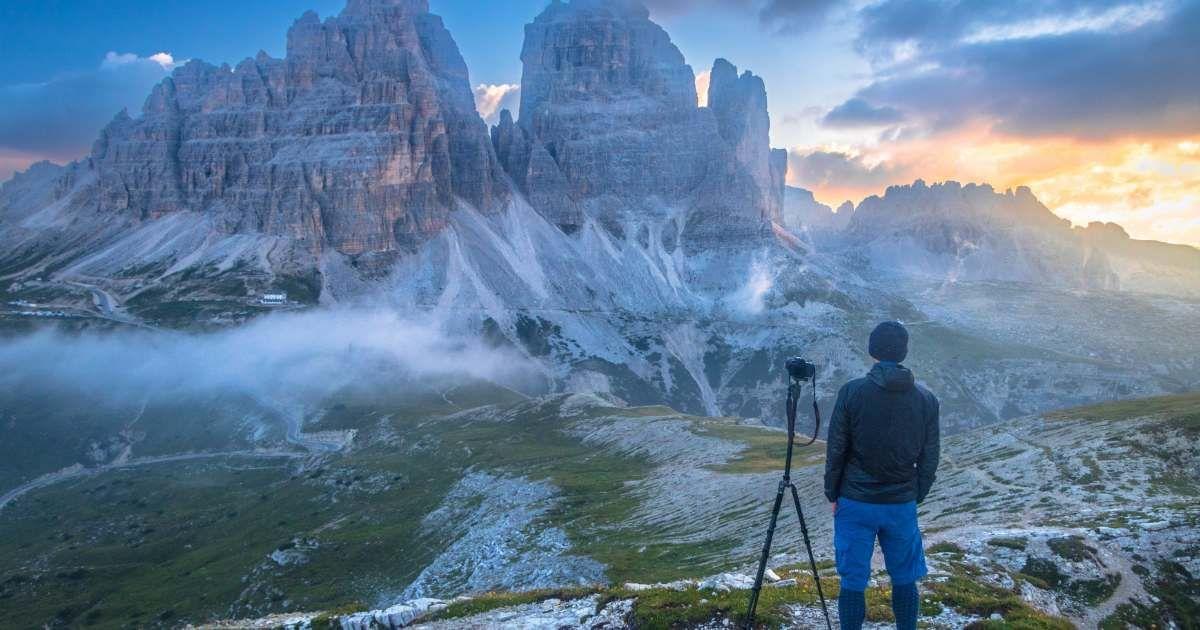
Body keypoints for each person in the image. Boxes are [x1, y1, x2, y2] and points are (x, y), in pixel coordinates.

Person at [824, 321, 940, 630]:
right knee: (904, 576)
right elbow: (930, 458)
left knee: (853, 579)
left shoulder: (851, 392)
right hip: (900, 502)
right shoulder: (926, 399)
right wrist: (914, 494)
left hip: (855, 501)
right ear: (903, 351)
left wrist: (832, 493)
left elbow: (836, 449)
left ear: (873, 350)